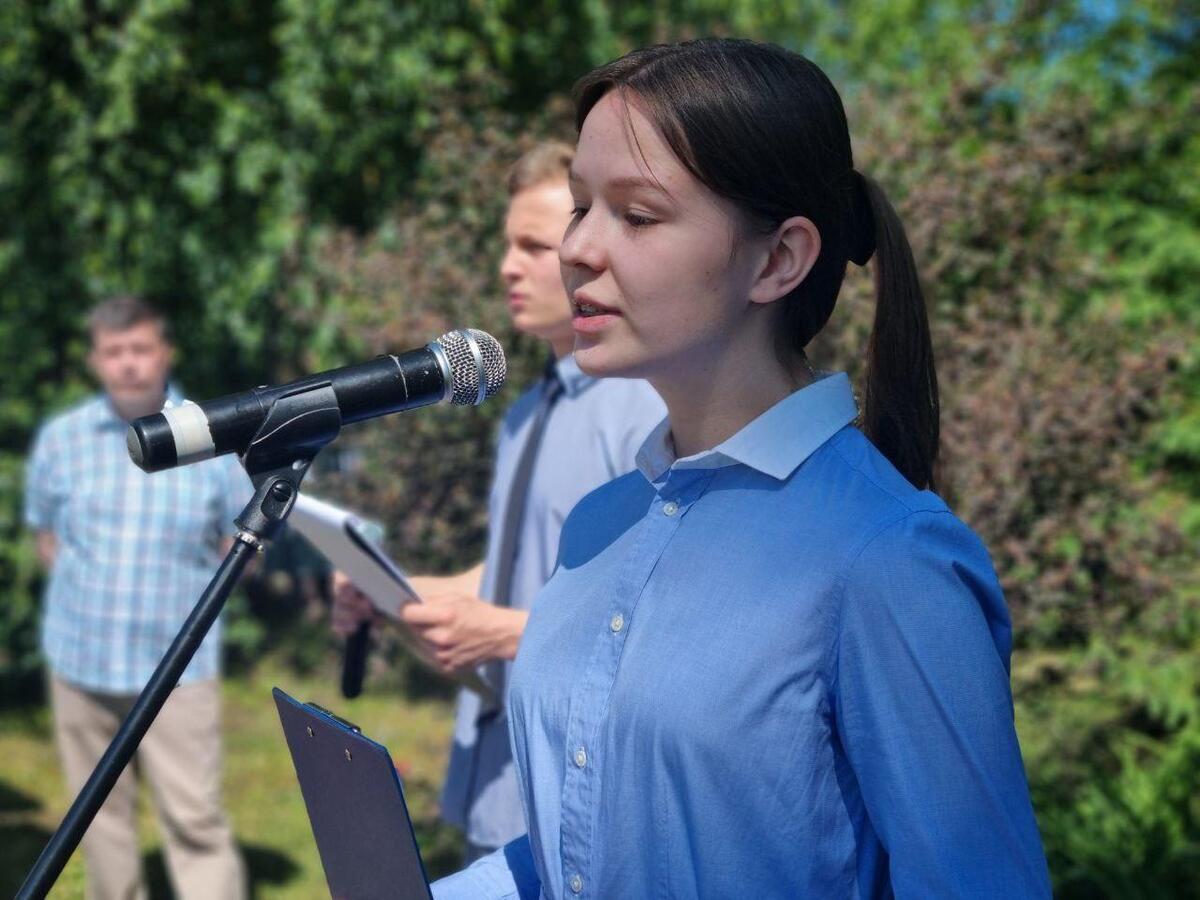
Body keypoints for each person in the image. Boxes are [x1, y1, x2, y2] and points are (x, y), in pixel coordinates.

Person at [433, 38, 1052, 899]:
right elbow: (579, 853)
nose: (578, 249)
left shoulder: (889, 564)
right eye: (581, 206)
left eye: (638, 216)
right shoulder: (600, 523)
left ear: (778, 260)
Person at [331, 142, 665, 863]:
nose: (507, 267)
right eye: (506, 245)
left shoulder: (646, 415)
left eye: (532, 246)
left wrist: (506, 634)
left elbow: (656, 620)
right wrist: (395, 595)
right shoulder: (522, 414)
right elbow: (524, 571)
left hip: (583, 791)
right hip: (501, 769)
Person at [25, 296, 249, 900]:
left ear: (165, 352)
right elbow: (47, 537)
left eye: (141, 349)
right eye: (114, 352)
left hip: (178, 671)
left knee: (195, 819)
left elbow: (241, 540)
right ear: (96, 360)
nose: (129, 364)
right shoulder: (62, 438)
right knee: (97, 821)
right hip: (81, 666)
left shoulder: (210, 434)